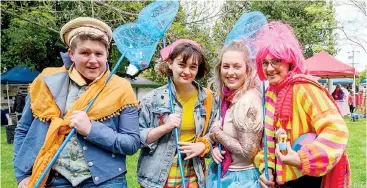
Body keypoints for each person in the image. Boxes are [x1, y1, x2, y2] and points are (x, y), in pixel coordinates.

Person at [13, 17, 140, 188]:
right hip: (54, 179)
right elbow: (23, 130)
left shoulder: (121, 88)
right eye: (85, 53)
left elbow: (132, 143)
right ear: (71, 54)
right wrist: (22, 175)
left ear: (107, 55)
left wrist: (91, 130)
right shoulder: (45, 82)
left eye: (99, 54)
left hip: (107, 181)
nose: (93, 60)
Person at [253, 21, 350, 188]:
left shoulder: (305, 88)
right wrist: (267, 169)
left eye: (276, 61)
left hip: (307, 179)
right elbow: (267, 141)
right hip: (280, 181)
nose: (269, 68)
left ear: (289, 61)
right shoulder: (270, 93)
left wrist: (301, 158)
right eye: (265, 62)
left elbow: (337, 130)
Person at [138, 39, 217, 188]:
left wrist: (203, 145)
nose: (187, 71)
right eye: (181, 64)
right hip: (158, 177)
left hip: (193, 174)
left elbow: (214, 133)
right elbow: (138, 138)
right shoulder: (152, 99)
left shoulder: (209, 98)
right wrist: (165, 127)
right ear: (170, 63)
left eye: (193, 67)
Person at [206, 41, 263, 188]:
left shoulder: (248, 100)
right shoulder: (229, 98)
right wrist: (216, 149)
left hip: (242, 180)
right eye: (226, 66)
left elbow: (248, 151)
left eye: (237, 66)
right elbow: (229, 137)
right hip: (225, 175)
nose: (230, 72)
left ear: (247, 70)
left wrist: (217, 133)